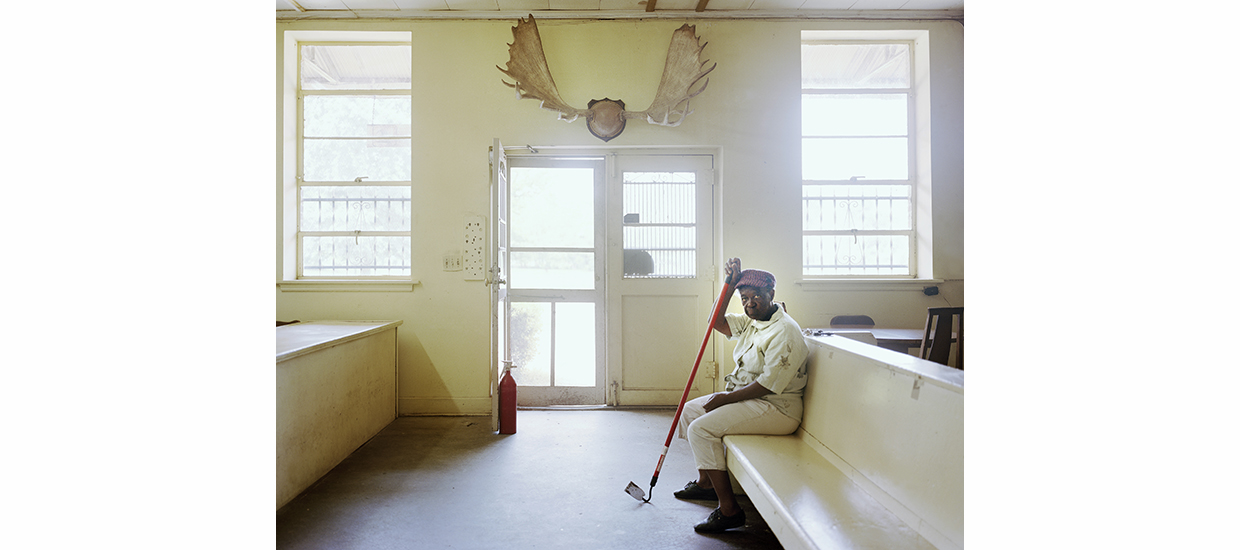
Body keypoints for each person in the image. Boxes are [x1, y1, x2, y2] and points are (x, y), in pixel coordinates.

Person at [673, 257, 810, 533]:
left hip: (777, 408)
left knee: (701, 430)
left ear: (771, 294)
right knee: (690, 411)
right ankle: (706, 483)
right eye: (744, 298)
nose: (749, 304)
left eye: (756, 297)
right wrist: (728, 287)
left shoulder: (785, 331)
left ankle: (730, 510)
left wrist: (724, 398)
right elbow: (716, 321)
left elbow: (768, 385)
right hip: (751, 400)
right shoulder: (753, 320)